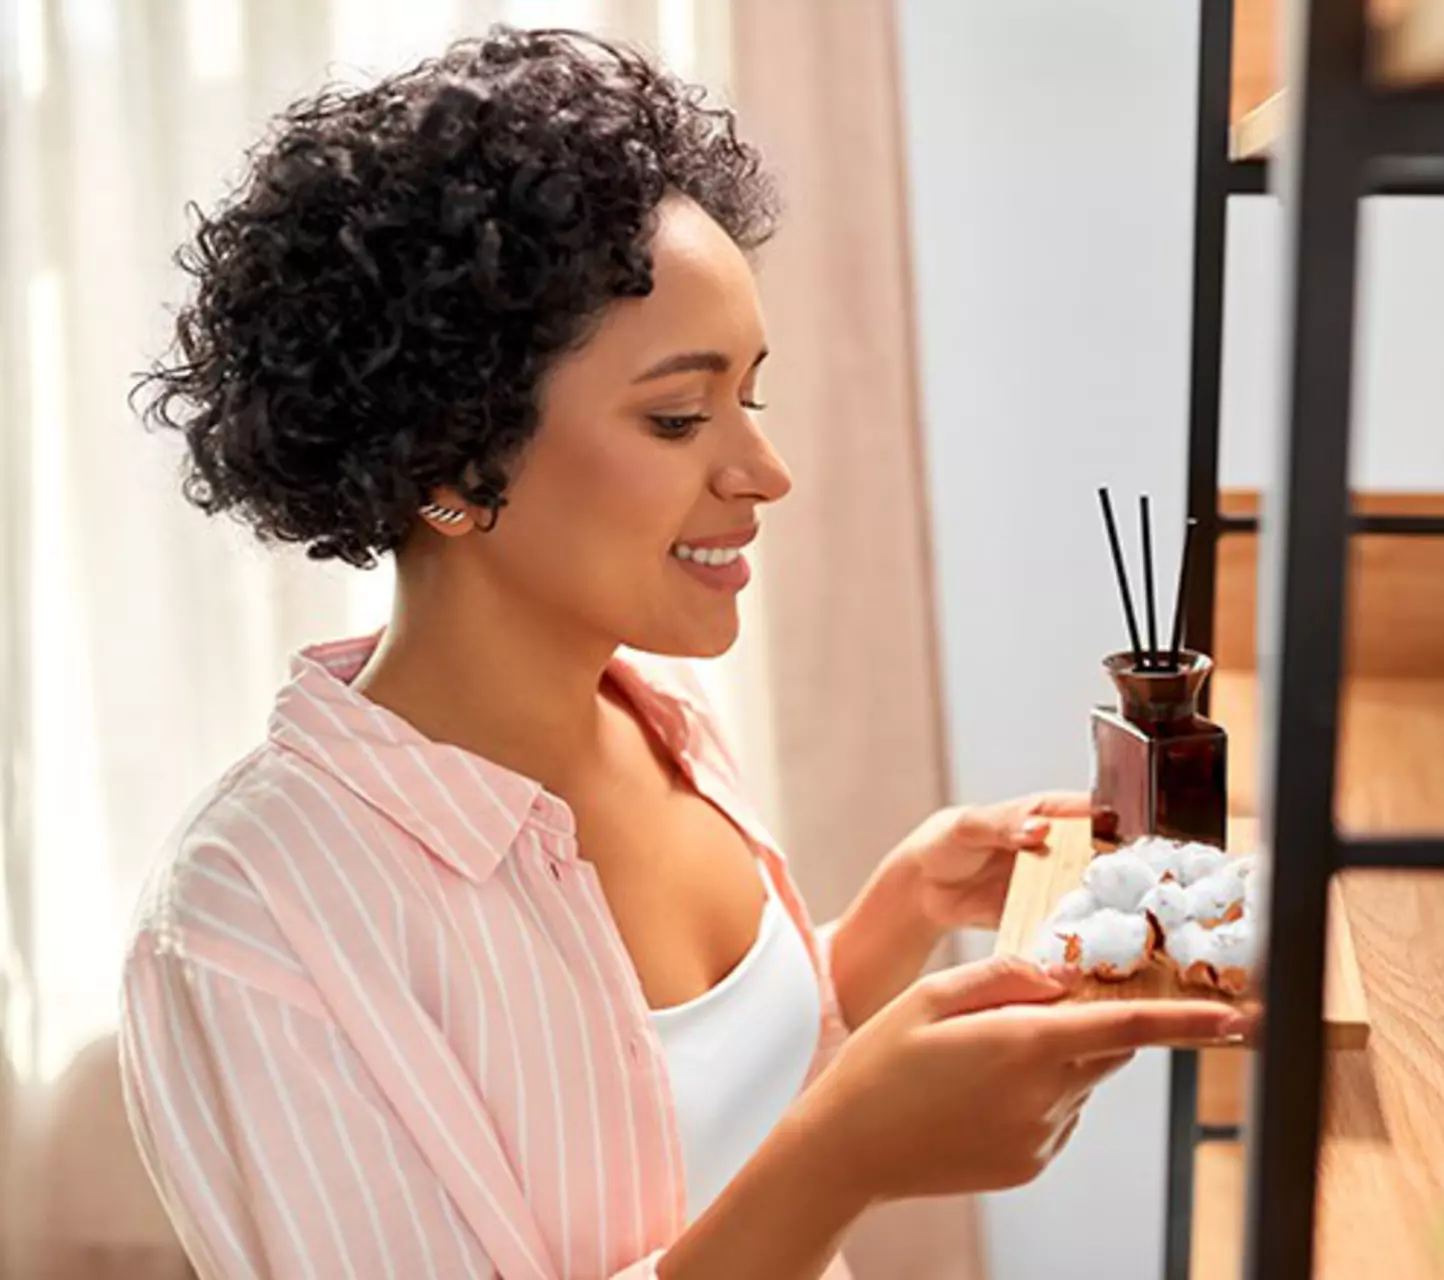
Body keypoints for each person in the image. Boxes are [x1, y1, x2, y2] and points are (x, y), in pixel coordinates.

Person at [117, 26, 1249, 1280]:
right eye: (676, 416)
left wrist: (899, 917)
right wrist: (842, 1158)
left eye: (749, 396)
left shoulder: (659, 718)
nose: (765, 472)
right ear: (449, 465)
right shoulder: (252, 918)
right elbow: (777, 1168)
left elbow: (686, 1116)